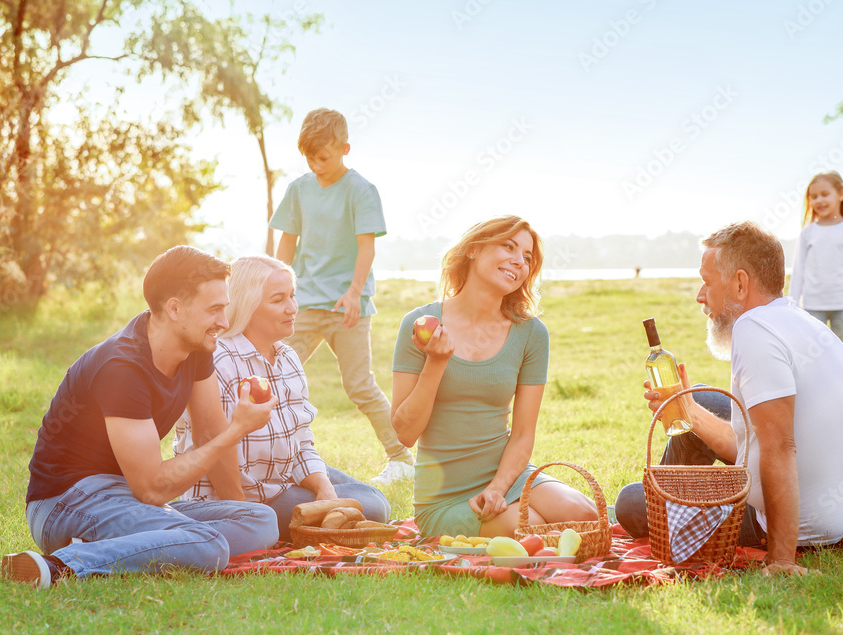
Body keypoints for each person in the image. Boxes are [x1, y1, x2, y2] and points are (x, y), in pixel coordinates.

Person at [615, 222, 843, 576]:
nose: (700, 295)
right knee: (705, 400)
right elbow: (755, 444)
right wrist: (689, 411)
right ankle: (671, 494)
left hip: (816, 523)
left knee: (631, 503)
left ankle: (665, 504)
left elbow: (779, 447)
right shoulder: (794, 319)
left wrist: (782, 561)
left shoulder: (753, 329)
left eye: (707, 282)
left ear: (741, 284)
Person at [1, 246, 281, 589]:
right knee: (209, 544)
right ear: (175, 309)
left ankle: (133, 548)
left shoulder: (194, 348)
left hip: (121, 494)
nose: (224, 322)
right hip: (65, 502)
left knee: (260, 520)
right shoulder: (122, 368)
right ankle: (59, 565)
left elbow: (209, 430)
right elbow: (152, 489)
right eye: (215, 310)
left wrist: (237, 513)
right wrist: (238, 429)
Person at [390, 216, 599, 539]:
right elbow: (405, 433)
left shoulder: (531, 333)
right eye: (509, 246)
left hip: (507, 476)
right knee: (534, 527)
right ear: (474, 249)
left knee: (585, 515)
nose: (519, 261)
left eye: (527, 257)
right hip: (445, 495)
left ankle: (511, 503)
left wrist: (498, 489)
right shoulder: (420, 323)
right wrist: (437, 361)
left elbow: (522, 434)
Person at [172, 255, 391, 541]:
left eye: (292, 296)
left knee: (376, 502)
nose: (292, 308)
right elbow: (216, 453)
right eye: (278, 300)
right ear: (247, 305)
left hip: (282, 478)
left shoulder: (287, 358)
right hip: (246, 496)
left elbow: (300, 441)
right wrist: (245, 516)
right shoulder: (220, 360)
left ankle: (318, 513)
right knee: (370, 506)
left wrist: (323, 487)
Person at [270, 107, 415, 487]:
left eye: (325, 157)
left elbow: (365, 247)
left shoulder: (360, 190)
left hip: (347, 306)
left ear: (345, 148)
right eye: (309, 157)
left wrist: (354, 293)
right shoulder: (298, 189)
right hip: (304, 301)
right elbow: (287, 241)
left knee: (359, 386)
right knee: (273, 375)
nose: (317, 165)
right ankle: (273, 458)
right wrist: (269, 285)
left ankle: (401, 459)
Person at [789, 171, 843, 354]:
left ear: (841, 194)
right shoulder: (807, 232)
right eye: (814, 197)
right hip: (812, 304)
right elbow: (798, 269)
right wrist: (792, 304)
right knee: (812, 353)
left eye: (825, 194)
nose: (819, 201)